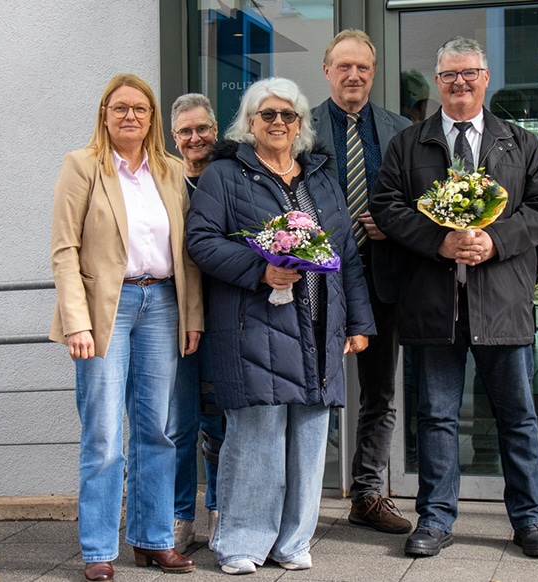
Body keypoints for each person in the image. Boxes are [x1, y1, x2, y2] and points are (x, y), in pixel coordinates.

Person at [370, 37, 538, 559]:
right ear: (437, 82)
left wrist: (494, 241)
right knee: (436, 417)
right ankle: (435, 519)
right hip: (434, 304)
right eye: (450, 75)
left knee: (517, 416)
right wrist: (439, 241)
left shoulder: (518, 142)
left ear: (485, 78)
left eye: (469, 73)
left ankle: (530, 520)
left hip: (501, 302)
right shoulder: (408, 144)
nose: (460, 83)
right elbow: (387, 206)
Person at [185, 77, 376, 575]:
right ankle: (242, 543)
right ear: (250, 123)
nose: (278, 123)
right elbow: (201, 241)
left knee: (309, 440)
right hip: (256, 326)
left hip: (319, 325)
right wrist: (260, 269)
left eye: (287, 115)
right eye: (267, 114)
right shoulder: (226, 175)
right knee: (257, 437)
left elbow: (346, 254)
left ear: (300, 124)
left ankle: (293, 541)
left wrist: (358, 321)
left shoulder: (320, 177)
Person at [50, 73, 204, 581]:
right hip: (105, 312)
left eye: (140, 108)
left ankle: (153, 539)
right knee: (103, 434)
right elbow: (65, 250)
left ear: (152, 117)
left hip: (162, 304)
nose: (130, 116)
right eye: (120, 108)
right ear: (105, 114)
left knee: (158, 430)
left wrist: (192, 316)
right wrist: (77, 322)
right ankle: (98, 548)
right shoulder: (82, 166)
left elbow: (187, 252)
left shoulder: (170, 170)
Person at [311, 28, 413, 535]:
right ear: (327, 70)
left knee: (380, 392)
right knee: (308, 388)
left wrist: (394, 225)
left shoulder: (401, 130)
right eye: (344, 66)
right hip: (317, 281)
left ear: (373, 73)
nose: (353, 75)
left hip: (382, 278)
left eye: (363, 68)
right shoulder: (301, 127)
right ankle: (300, 497)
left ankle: (367, 494)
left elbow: (420, 199)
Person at [167, 93, 222, 553]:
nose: (195, 137)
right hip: (177, 318)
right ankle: (181, 518)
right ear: (174, 137)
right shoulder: (164, 182)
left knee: (219, 424)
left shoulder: (230, 178)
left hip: (225, 318)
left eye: (202, 128)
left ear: (215, 131)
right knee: (179, 425)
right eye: (186, 131)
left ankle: (220, 513)